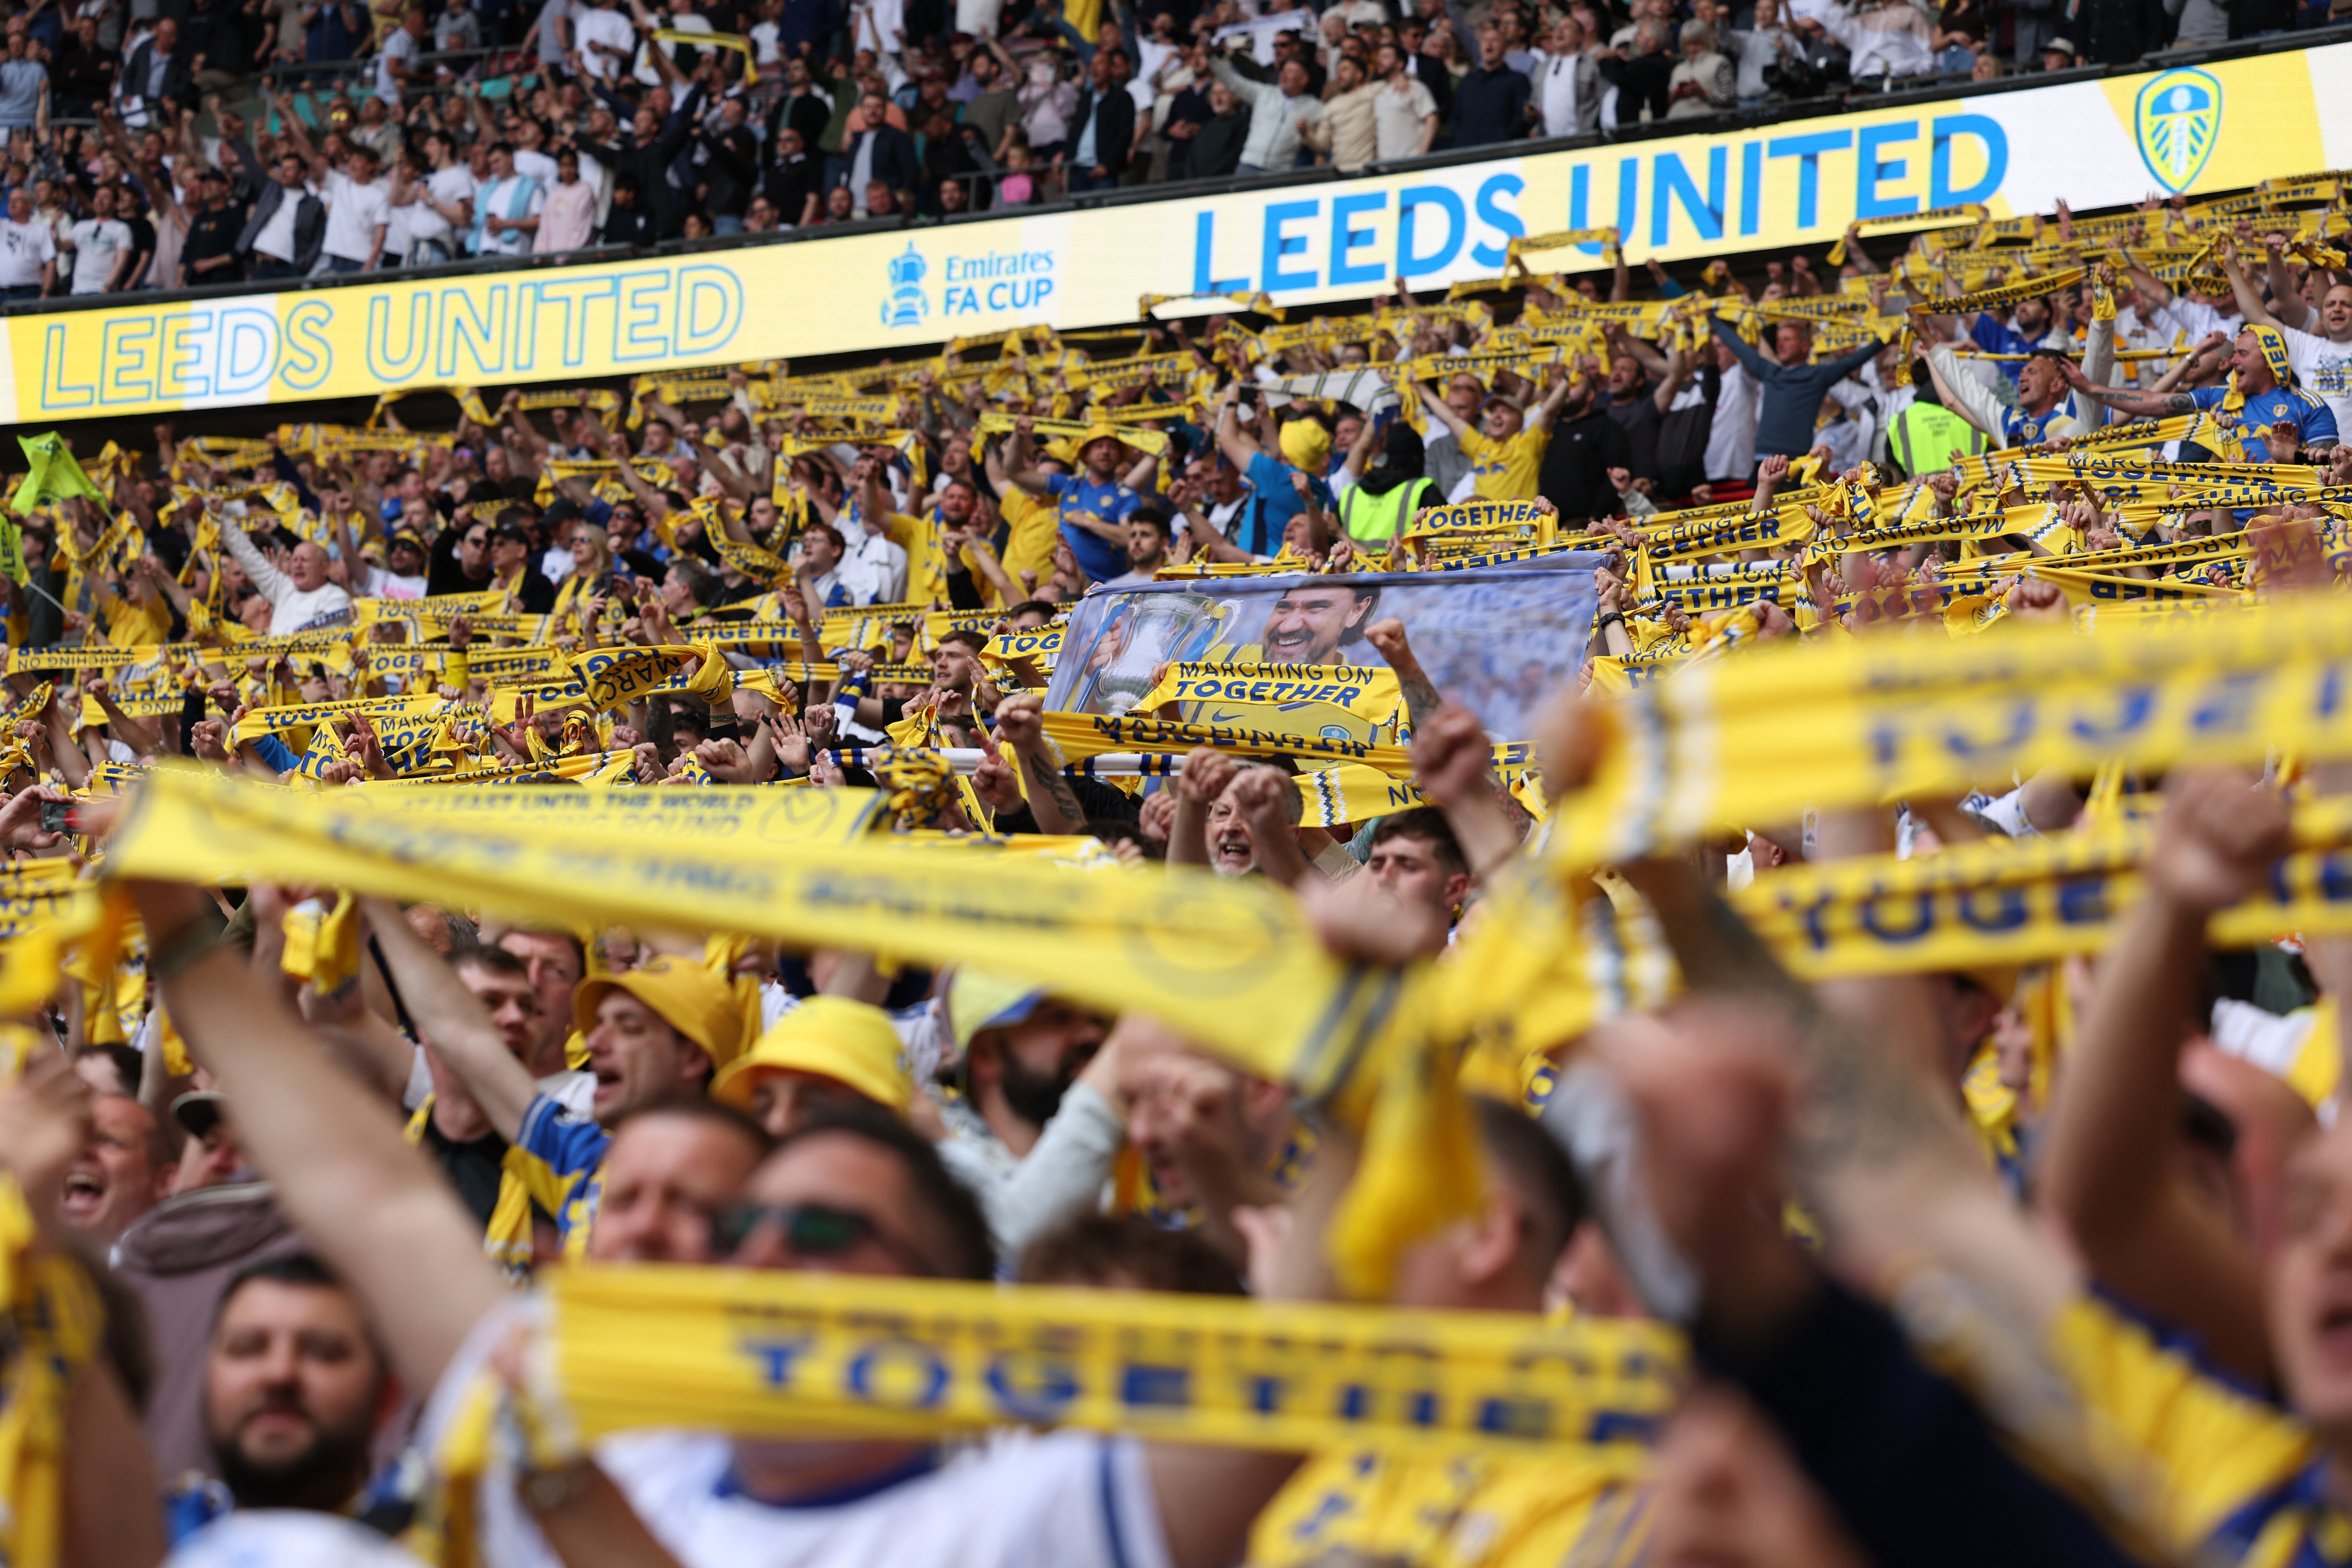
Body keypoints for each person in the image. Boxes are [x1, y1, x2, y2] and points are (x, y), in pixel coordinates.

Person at [1707, 316, 1887, 466]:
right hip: (1761, 462)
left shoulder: (1818, 375)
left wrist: (1884, 341)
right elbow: (1739, 347)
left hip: (1796, 464)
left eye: (1788, 339)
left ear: (1805, 346)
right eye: (1778, 340)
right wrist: (1711, 318)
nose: (1780, 345)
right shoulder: (1770, 372)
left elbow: (1851, 362)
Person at [1414, 369, 1576, 502]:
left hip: (1518, 537)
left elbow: (1548, 412)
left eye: (1505, 412)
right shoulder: (1480, 445)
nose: (1497, 416)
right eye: (1493, 412)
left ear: (1520, 424)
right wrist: (1419, 386)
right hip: (1483, 534)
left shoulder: (1528, 443)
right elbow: (1451, 417)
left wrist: (1568, 378)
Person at [234, 148, 326, 279]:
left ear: (301, 174)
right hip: (262, 266)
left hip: (292, 269)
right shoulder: (271, 190)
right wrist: (235, 139)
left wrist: (306, 262)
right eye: (283, 168)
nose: (283, 172)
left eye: (289, 169)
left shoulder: (314, 205)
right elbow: (252, 166)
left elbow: (319, 238)